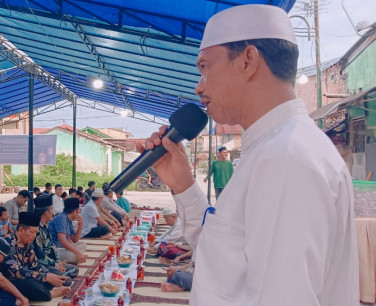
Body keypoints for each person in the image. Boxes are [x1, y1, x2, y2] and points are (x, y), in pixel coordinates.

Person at [142, 5, 358, 305]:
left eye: (205, 67)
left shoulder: (286, 158)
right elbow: (225, 261)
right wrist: (184, 185)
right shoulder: (272, 148)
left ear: (247, 61)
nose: (198, 87)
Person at [0, 212, 70, 301]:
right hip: (9, 281)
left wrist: (48, 275)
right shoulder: (8, 244)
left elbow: (35, 265)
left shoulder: (27, 243)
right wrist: (45, 277)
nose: (34, 236)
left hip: (26, 277)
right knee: (31, 285)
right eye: (32, 232)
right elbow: (16, 272)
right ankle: (51, 294)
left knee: (51, 279)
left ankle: (42, 292)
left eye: (36, 232)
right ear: (21, 230)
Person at [33, 195, 78, 282]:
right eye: (51, 210)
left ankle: (57, 275)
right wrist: (56, 265)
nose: (53, 212)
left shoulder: (46, 225)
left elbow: (52, 247)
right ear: (46, 213)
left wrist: (58, 263)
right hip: (43, 264)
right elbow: (41, 257)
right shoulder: (36, 229)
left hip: (52, 261)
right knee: (67, 280)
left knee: (74, 270)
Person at [49, 198, 87, 264]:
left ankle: (76, 257)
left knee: (83, 245)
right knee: (74, 255)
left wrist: (80, 226)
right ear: (75, 211)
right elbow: (63, 241)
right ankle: (76, 258)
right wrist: (78, 253)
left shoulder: (68, 219)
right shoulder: (61, 218)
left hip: (62, 247)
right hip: (55, 249)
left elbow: (75, 240)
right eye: (78, 210)